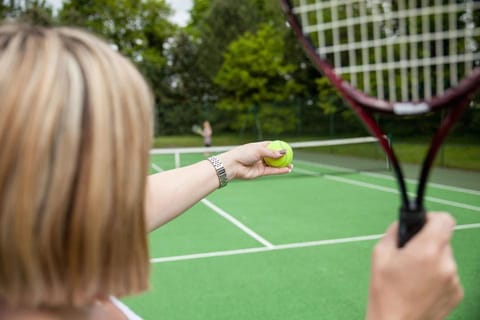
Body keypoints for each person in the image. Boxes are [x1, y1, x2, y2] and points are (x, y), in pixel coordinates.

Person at [0, 25, 463, 320]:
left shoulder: (43, 276)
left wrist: (224, 165)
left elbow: (120, 209)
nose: (127, 179)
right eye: (116, 162)